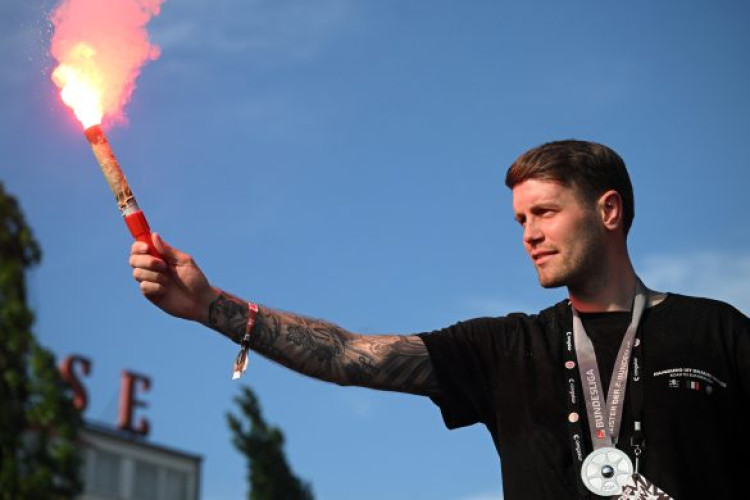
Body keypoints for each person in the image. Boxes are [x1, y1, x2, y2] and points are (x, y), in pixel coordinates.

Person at [130, 140, 749, 499]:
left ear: (608, 210)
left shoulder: (718, 333)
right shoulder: (505, 348)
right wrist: (211, 307)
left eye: (545, 212)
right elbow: (348, 355)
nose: (529, 234)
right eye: (520, 220)